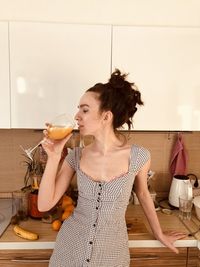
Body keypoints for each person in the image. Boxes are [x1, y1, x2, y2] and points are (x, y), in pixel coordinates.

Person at [38, 69, 186, 267]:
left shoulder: (139, 157)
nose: (76, 116)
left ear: (106, 116)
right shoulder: (75, 155)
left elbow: (143, 194)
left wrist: (158, 232)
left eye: (85, 109)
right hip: (69, 251)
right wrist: (54, 156)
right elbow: (44, 205)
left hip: (111, 254)